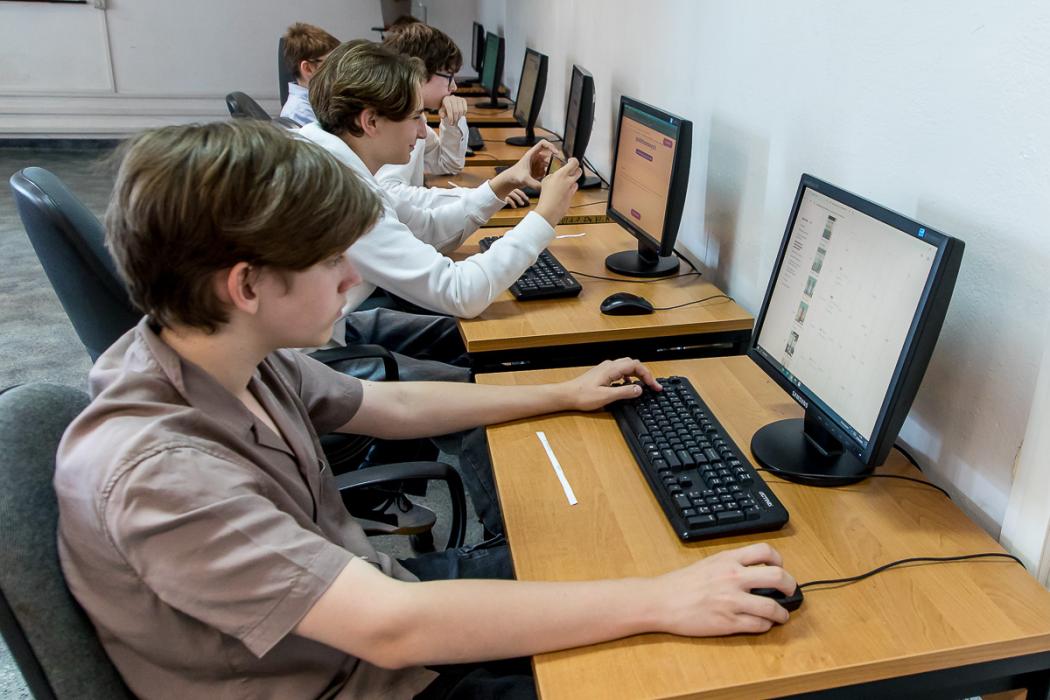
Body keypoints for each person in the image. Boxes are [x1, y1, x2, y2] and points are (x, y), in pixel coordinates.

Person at [56, 120, 797, 700]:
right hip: (352, 676)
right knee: (686, 659)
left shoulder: (215, 351)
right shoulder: (163, 477)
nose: (351, 276)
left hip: (369, 609)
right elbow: (393, 630)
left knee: (624, 553)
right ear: (245, 286)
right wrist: (659, 602)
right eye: (329, 260)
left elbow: (385, 402)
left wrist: (562, 393)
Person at [301, 39, 578, 320]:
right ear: (370, 122)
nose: (423, 132)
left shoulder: (328, 160)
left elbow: (426, 229)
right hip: (329, 341)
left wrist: (502, 184)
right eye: (416, 117)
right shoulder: (344, 197)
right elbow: (459, 293)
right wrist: (545, 216)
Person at [377, 23, 532, 209]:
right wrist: (481, 195)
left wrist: (452, 119)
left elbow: (447, 165)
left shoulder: (416, 118)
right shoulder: (394, 121)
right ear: (419, 72)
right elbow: (390, 194)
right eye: (449, 76)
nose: (454, 86)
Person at [280, 22, 339, 125]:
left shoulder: (320, 101)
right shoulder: (299, 113)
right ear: (307, 68)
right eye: (333, 63)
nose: (339, 69)